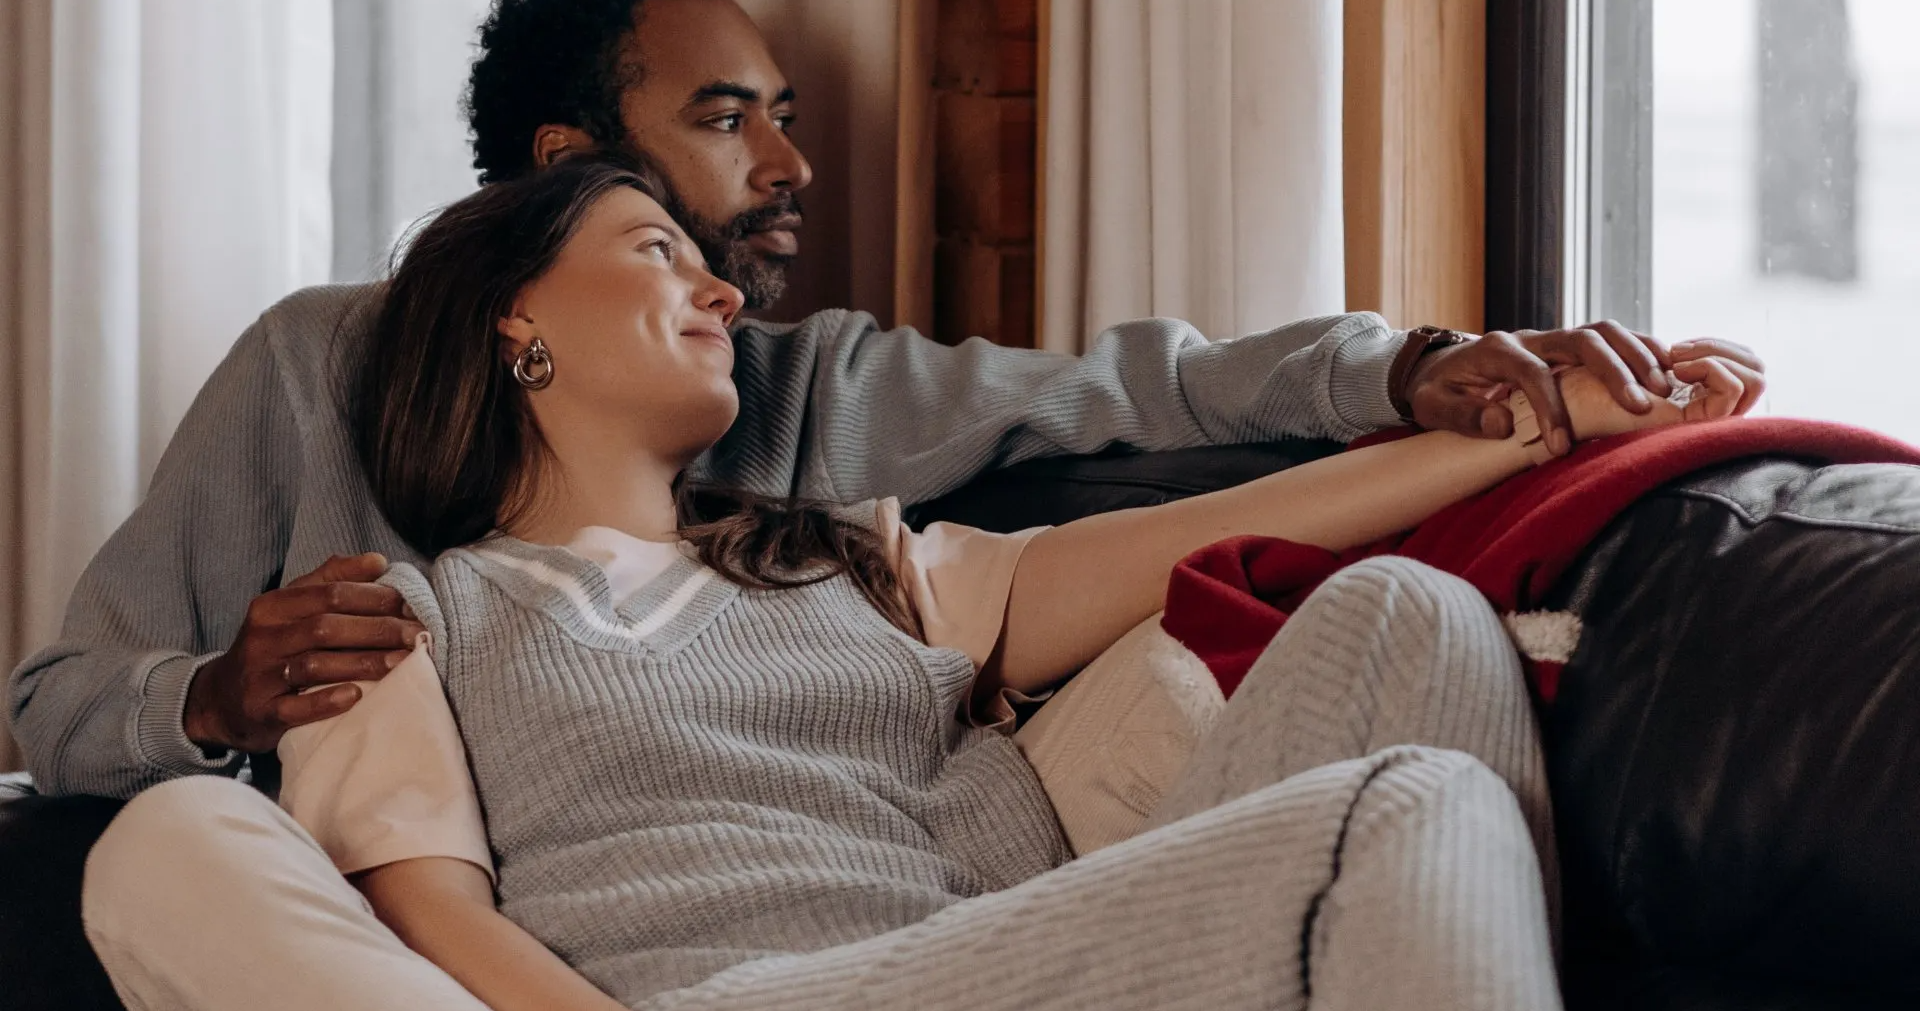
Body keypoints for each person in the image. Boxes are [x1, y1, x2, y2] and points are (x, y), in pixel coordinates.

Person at [8, 0, 1758, 801]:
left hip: (843, 899)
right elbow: (49, 703)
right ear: (559, 167)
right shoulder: (318, 368)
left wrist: (1430, 370)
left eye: (788, 117)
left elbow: (1140, 386)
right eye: (723, 122)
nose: (790, 169)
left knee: (1407, 651)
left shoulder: (804, 392)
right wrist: (218, 700)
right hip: (419, 896)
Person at [80, 161, 1755, 1011]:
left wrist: (1527, 423)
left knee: (1413, 618)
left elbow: (1219, 534)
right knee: (1413, 816)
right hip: (726, 995)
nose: (722, 287)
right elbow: (427, 914)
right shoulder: (408, 614)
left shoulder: (845, 554)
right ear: (515, 324)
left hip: (978, 959)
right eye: (655, 248)